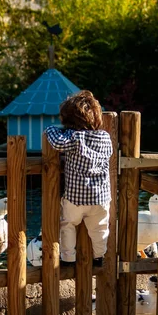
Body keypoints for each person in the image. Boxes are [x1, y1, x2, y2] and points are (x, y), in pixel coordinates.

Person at [44, 90, 112, 268]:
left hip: (76, 198)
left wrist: (50, 129)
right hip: (100, 198)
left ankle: (68, 258)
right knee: (100, 228)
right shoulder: (106, 138)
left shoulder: (74, 138)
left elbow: (57, 143)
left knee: (67, 224)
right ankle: (99, 256)